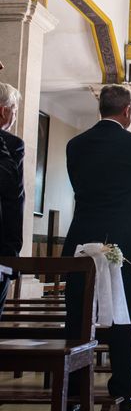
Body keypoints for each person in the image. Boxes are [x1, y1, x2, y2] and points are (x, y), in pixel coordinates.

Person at [63, 84, 131, 411]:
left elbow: (83, 187)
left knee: (77, 320)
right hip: (126, 248)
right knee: (126, 322)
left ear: (100, 109)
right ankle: (124, 396)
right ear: (127, 112)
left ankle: (76, 397)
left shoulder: (75, 145)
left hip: (81, 245)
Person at [0, 83, 23, 316]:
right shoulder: (11, 144)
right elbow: (13, 195)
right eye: (15, 110)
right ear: (4, 111)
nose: (15, 115)